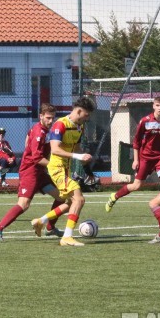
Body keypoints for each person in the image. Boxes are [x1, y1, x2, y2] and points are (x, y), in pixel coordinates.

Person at [0, 103, 69, 241]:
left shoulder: (43, 130)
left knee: (62, 198)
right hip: (30, 172)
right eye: (48, 118)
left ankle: (50, 228)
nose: (51, 121)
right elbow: (37, 157)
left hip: (40, 173)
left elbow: (27, 139)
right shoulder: (39, 132)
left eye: (53, 118)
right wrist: (53, 166)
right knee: (24, 204)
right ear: (41, 116)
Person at [106, 97, 160, 212]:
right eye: (157, 105)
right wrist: (136, 160)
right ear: (153, 106)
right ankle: (114, 196)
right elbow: (136, 142)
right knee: (137, 185)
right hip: (145, 158)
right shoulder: (145, 121)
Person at [46, 96, 96, 247]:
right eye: (86, 115)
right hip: (56, 169)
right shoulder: (60, 124)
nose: (87, 118)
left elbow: (77, 150)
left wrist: (87, 168)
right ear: (79, 111)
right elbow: (55, 149)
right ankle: (67, 237)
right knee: (79, 200)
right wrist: (78, 155)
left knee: (70, 202)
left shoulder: (79, 127)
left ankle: (40, 221)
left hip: (66, 170)